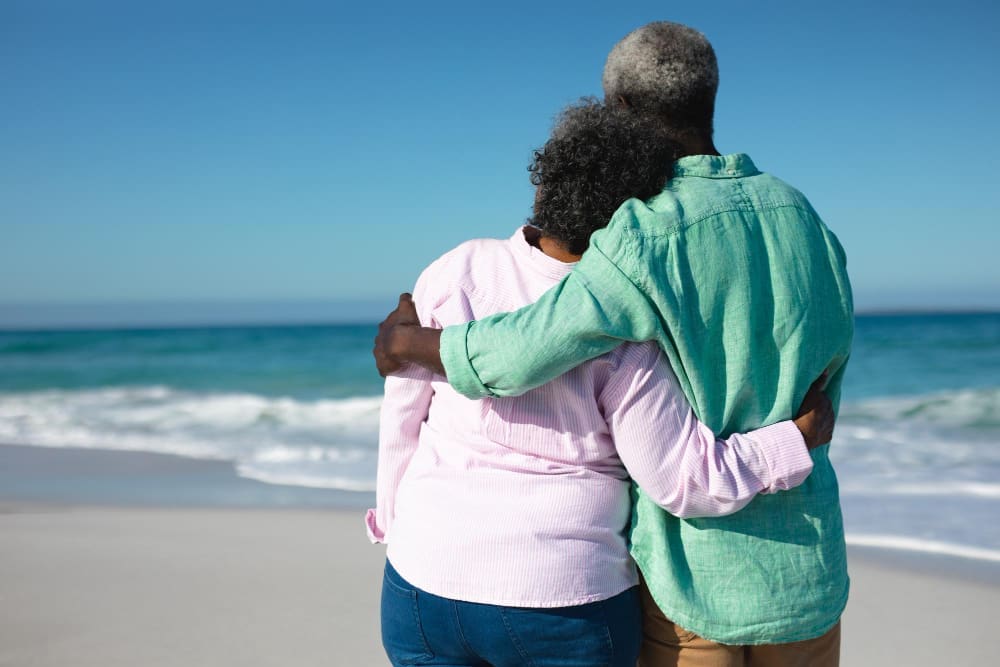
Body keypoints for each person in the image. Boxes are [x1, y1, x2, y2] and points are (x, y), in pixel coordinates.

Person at [374, 22, 853, 667]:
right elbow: (830, 363)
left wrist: (410, 344)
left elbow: (518, 353)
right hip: (807, 572)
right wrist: (802, 434)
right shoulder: (806, 220)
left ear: (620, 112)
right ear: (708, 98)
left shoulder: (638, 238)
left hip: (693, 584)